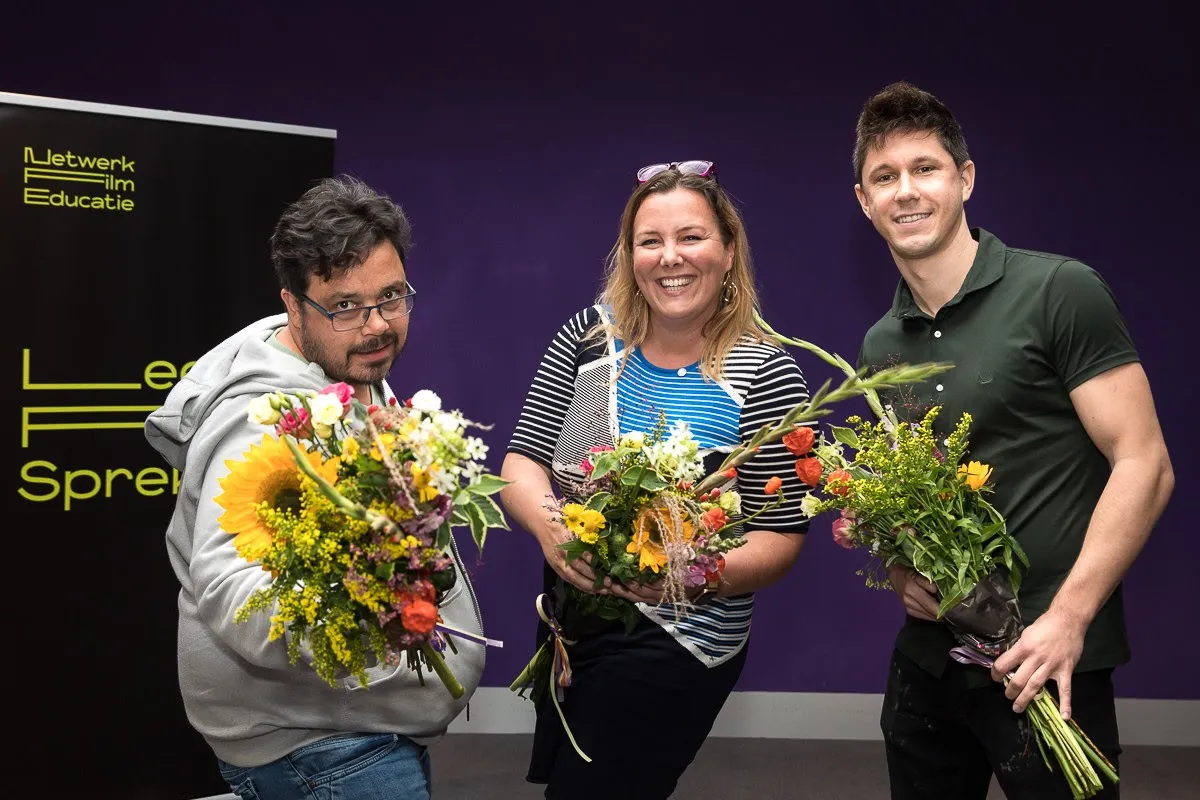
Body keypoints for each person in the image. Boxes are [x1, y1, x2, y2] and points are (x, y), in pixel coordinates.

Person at [852, 82, 1175, 799]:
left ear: (965, 178)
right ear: (864, 200)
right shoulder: (879, 345)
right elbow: (916, 494)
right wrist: (902, 568)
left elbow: (1145, 465)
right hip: (930, 666)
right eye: (885, 177)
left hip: (1050, 661)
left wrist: (1070, 617)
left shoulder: (1060, 291)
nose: (906, 191)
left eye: (925, 168)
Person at [145, 175, 486, 800]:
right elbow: (230, 591)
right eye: (346, 305)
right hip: (322, 751)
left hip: (349, 734)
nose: (377, 325)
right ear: (293, 305)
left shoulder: (346, 370)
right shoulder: (265, 427)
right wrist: (370, 614)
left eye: (392, 296)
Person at [500, 161, 814, 799]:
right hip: (574, 623)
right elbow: (521, 463)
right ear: (630, 254)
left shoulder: (768, 373)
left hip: (683, 637)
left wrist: (681, 571)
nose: (670, 257)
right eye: (650, 241)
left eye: (691, 237)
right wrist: (550, 529)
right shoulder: (590, 341)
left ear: (728, 252)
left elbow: (780, 540)